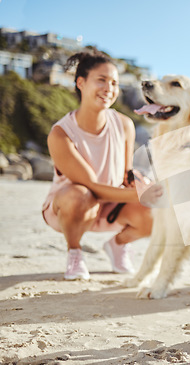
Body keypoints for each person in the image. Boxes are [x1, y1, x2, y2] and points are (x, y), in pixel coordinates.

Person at [42, 50, 153, 280]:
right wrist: (138, 196)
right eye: (101, 80)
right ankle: (74, 252)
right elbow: (90, 186)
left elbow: (125, 174)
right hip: (71, 207)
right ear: (81, 83)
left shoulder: (124, 124)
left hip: (110, 205)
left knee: (155, 212)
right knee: (81, 195)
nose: (109, 88)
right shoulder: (61, 133)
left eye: (114, 83)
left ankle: (118, 245)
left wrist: (142, 185)